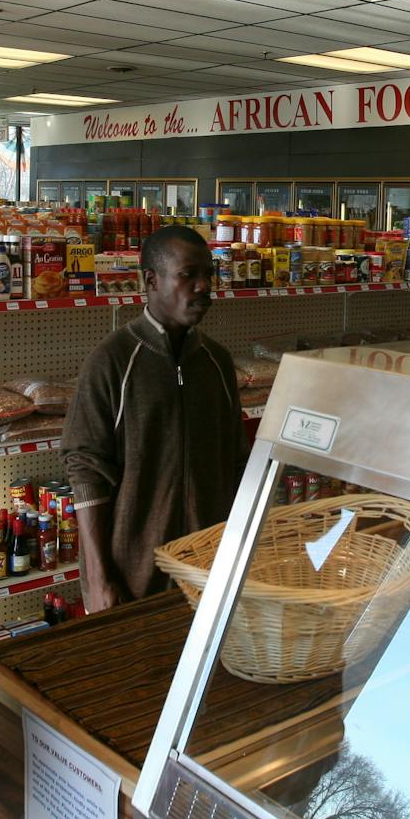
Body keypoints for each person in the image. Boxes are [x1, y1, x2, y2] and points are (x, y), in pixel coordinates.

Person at [63, 223, 246, 613]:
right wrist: (99, 578)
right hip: (131, 579)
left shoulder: (217, 362)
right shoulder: (112, 361)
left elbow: (235, 462)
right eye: (188, 275)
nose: (203, 286)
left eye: (208, 274)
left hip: (208, 572)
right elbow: (85, 472)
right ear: (151, 280)